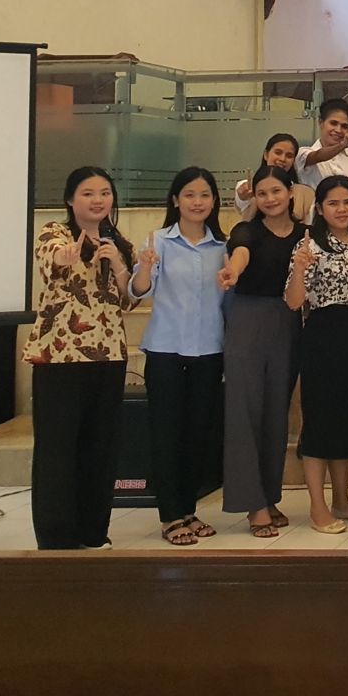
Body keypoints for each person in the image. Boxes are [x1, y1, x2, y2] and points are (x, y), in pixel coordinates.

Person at [26, 167, 135, 550]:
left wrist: (119, 263)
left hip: (108, 355)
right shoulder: (53, 232)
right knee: (58, 447)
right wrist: (68, 254)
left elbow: (128, 298)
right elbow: (52, 259)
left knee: (100, 446)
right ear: (71, 199)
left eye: (104, 192)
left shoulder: (117, 241)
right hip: (60, 358)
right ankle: (55, 536)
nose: (98, 200)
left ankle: (92, 530)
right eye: (88, 193)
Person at [129, 167, 227, 546]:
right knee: (166, 435)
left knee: (197, 436)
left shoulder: (223, 246)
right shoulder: (158, 241)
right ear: (175, 200)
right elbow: (139, 291)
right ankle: (170, 516)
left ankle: (188, 509)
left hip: (209, 350)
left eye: (204, 195)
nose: (197, 202)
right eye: (189, 195)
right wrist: (145, 267)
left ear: (214, 201)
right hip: (166, 350)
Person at [219, 165, 307, 537]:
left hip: (287, 322)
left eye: (276, 191)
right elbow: (240, 254)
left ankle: (269, 497)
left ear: (290, 192)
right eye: (262, 193)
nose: (269, 199)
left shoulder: (305, 234)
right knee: (246, 410)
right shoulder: (247, 231)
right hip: (248, 320)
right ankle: (252, 503)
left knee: (276, 412)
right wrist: (234, 271)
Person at [285, 175, 348, 534]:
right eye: (333, 203)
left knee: (347, 421)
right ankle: (317, 506)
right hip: (323, 337)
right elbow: (294, 302)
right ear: (319, 209)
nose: (342, 209)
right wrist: (300, 269)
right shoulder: (308, 245)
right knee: (321, 424)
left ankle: (341, 499)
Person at [296, 99, 348, 229]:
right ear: (321, 122)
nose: (338, 130)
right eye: (333, 123)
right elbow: (318, 156)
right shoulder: (303, 154)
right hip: (314, 229)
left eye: (344, 126)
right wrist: (343, 145)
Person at [234, 133, 315, 222]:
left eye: (289, 156)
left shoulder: (305, 193)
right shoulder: (248, 187)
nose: (282, 159)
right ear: (266, 155)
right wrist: (243, 197)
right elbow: (243, 205)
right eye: (278, 153)